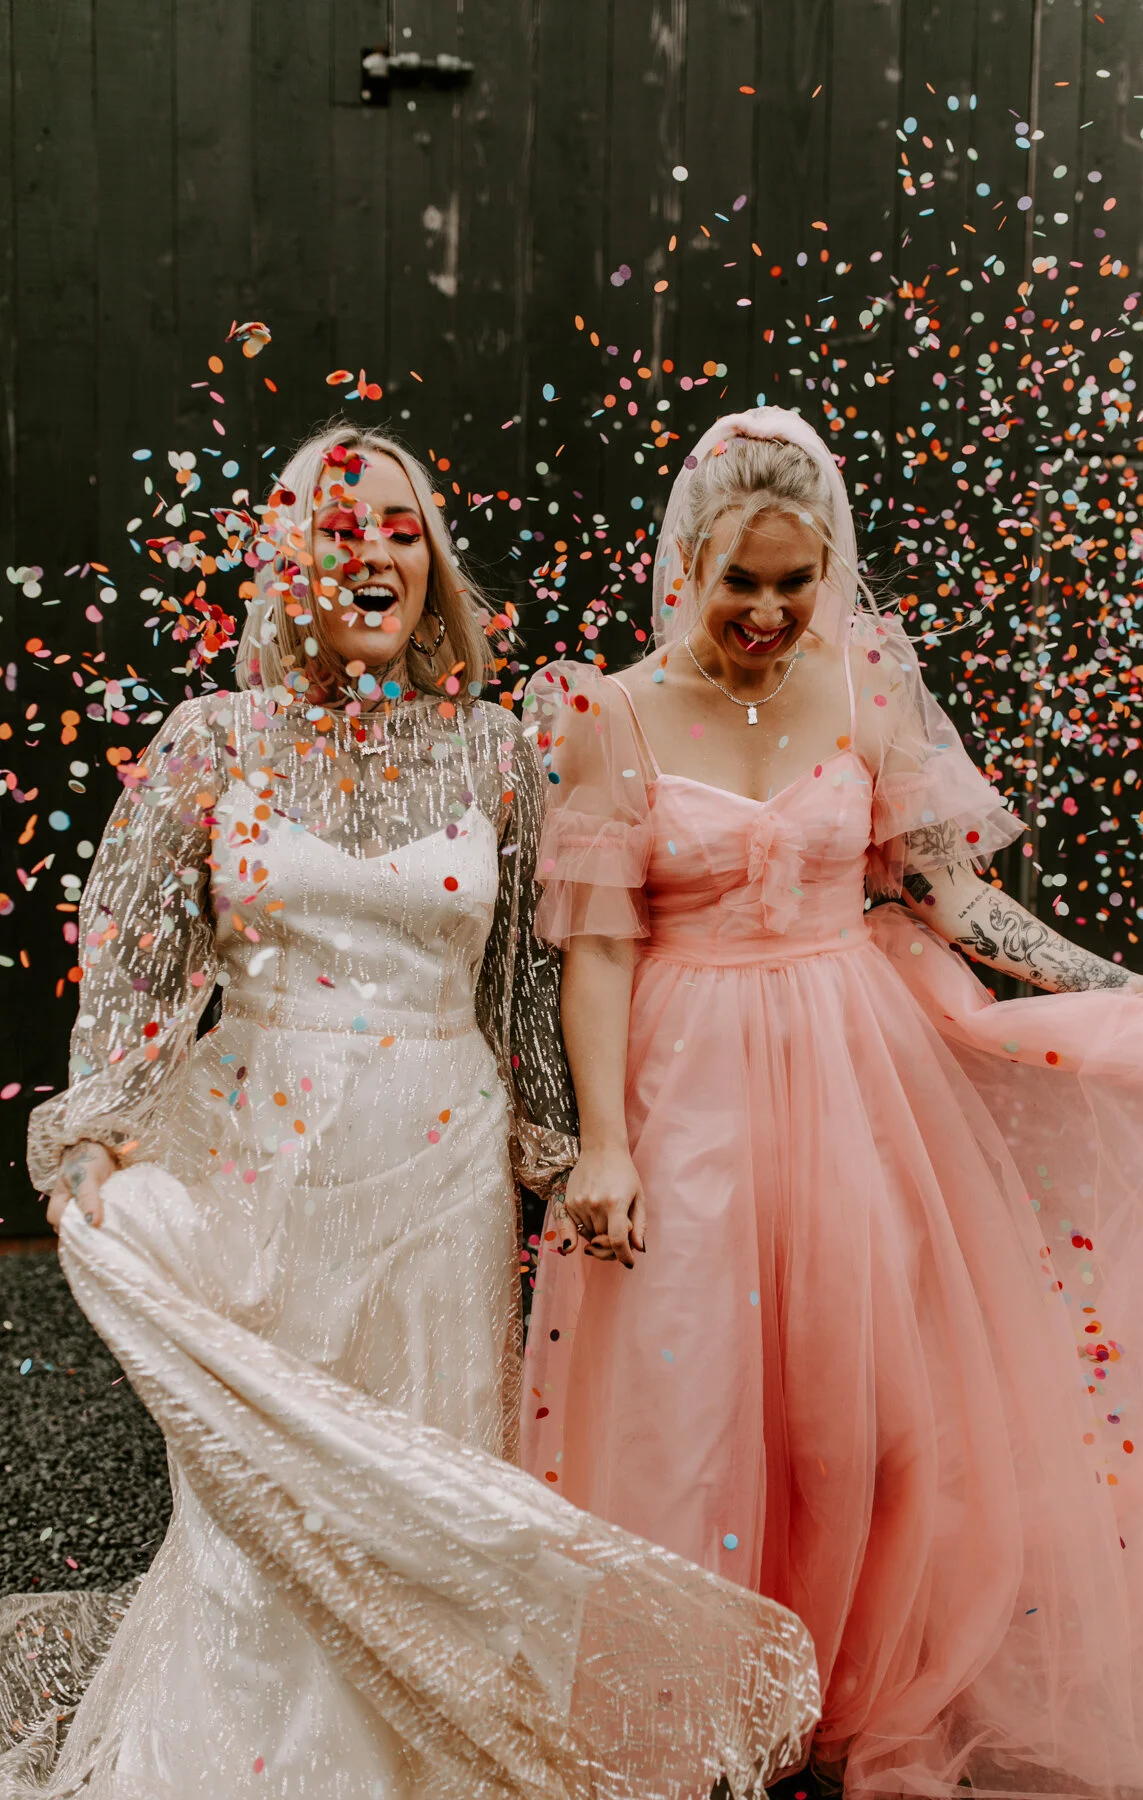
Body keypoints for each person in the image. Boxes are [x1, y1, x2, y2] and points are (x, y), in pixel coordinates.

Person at [0, 424, 819, 1799]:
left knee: (427, 1478)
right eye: (341, 530)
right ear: (289, 564)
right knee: (272, 1492)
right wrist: (95, 1123)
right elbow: (135, 958)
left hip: (441, 1167)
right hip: (260, 1157)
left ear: (432, 566)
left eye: (399, 531)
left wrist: (566, 1155)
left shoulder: (495, 751)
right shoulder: (212, 742)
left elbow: (525, 986)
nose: (373, 554)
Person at [522, 406, 1143, 1799]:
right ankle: (696, 1705)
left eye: (796, 581)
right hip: (686, 1081)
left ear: (829, 568)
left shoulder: (869, 685)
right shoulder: (612, 715)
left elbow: (953, 894)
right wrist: (604, 1145)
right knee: (693, 1391)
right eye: (741, 580)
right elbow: (598, 952)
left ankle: (847, 1687)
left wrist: (1116, 979)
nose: (769, 613)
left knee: (868, 1410)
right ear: (687, 564)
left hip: (851, 1070)